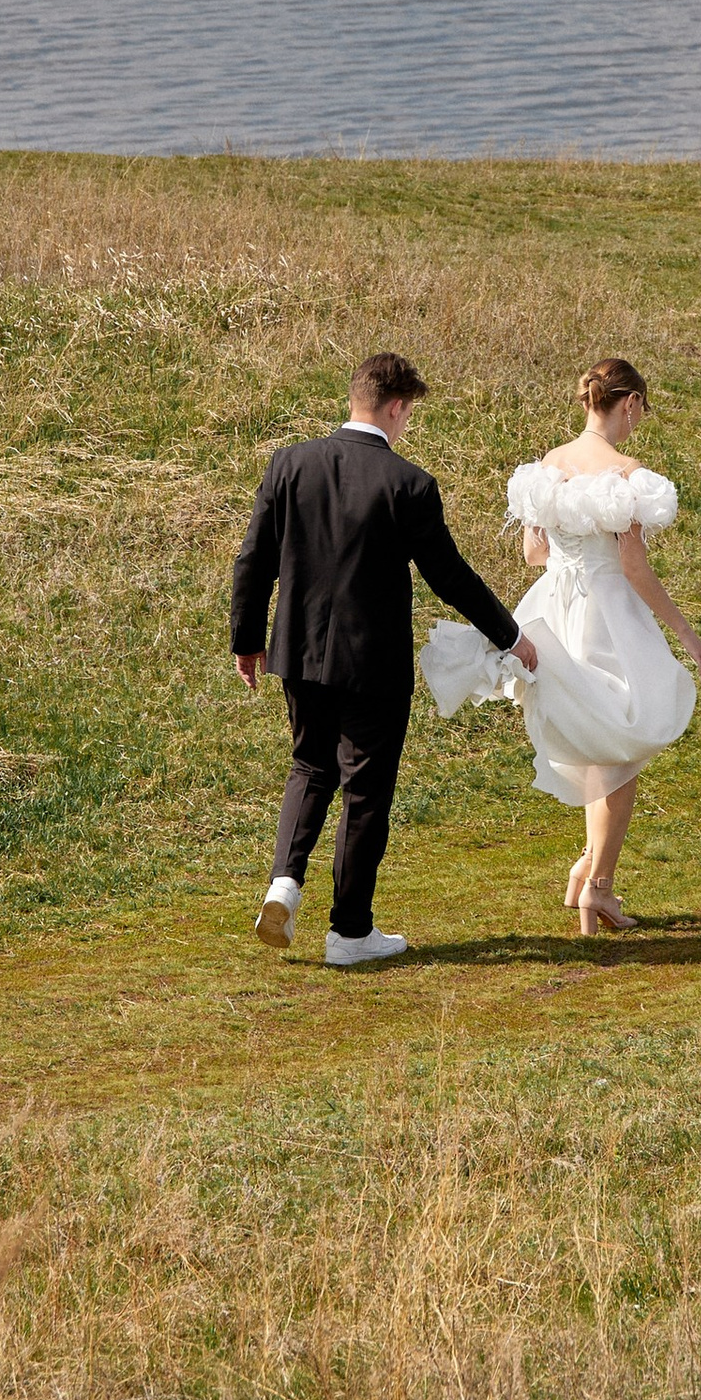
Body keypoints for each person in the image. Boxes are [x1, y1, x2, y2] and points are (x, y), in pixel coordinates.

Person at [232, 352, 537, 969]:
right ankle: (349, 932)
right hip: (373, 665)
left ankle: (284, 885)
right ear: (396, 407)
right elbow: (450, 576)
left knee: (309, 767)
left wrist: (248, 640)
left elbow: (252, 560)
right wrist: (510, 636)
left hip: (295, 652)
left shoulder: (290, 464)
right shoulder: (410, 485)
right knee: (364, 792)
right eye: (407, 415)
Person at [422, 356, 701, 936]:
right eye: (640, 413)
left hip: (555, 612)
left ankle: (588, 871)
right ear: (628, 404)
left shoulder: (548, 468)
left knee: (597, 743)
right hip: (609, 618)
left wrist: (570, 554)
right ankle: (598, 886)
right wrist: (687, 635)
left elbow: (534, 554)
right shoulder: (626, 473)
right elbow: (634, 567)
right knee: (625, 744)